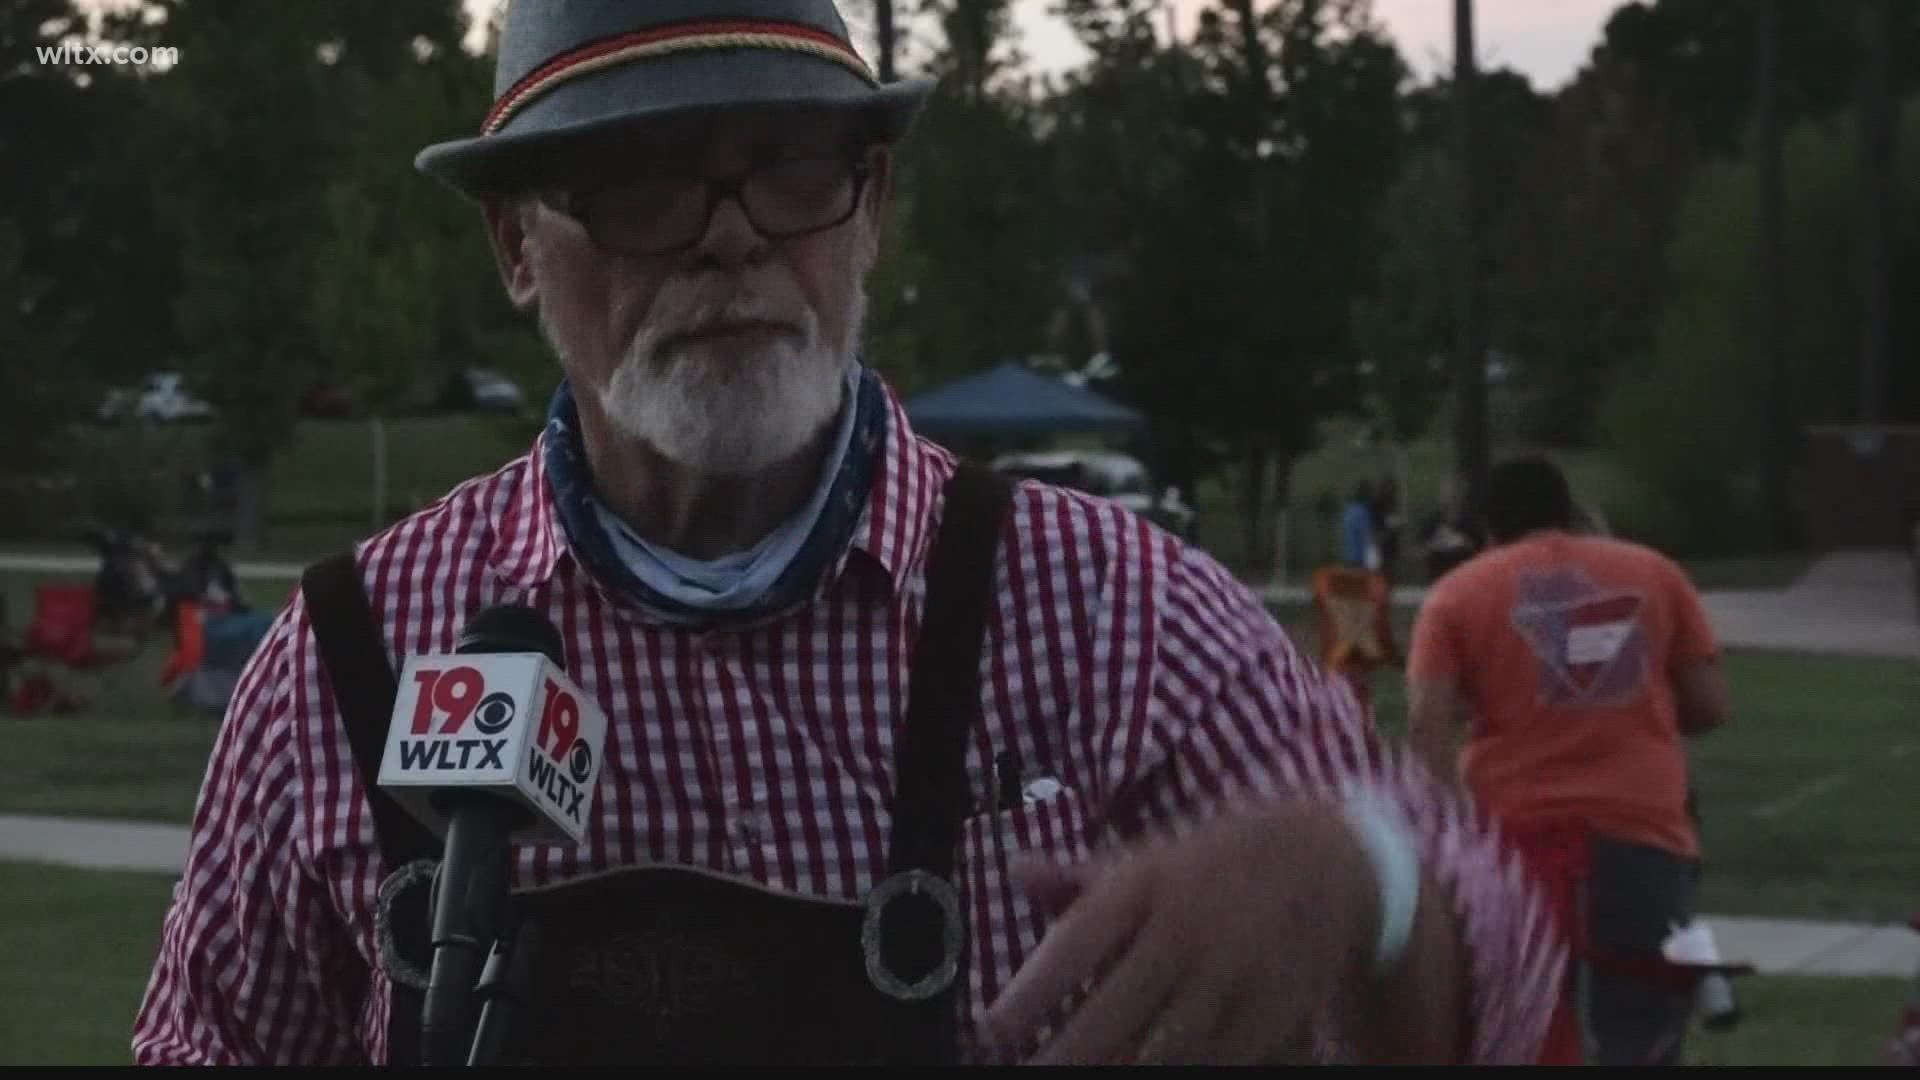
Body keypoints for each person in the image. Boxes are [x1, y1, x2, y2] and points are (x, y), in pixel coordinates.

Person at [132, 2, 1562, 1065]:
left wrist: (1358, 877)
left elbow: (1507, 985)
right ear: (515, 244)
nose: (733, 238)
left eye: (796, 169)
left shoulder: (1112, 615)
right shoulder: (350, 656)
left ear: (869, 209)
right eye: (644, 181)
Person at [1404, 456, 1731, 1066]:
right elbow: (1710, 705)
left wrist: (1448, 842)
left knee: (1514, 1033)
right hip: (1644, 833)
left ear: (1485, 529)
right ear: (1569, 509)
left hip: (1512, 843)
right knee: (1642, 1031)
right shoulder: (1653, 573)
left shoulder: (1457, 595)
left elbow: (1427, 733)